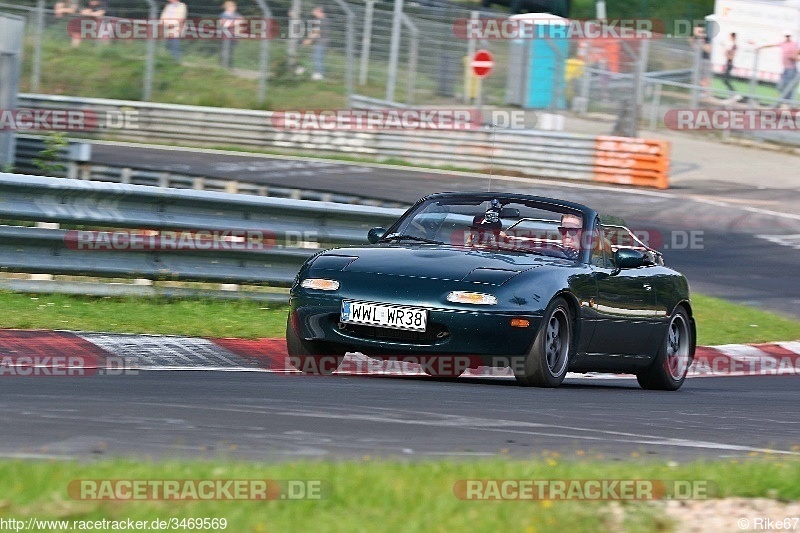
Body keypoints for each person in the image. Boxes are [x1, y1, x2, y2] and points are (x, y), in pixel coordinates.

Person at [303, 6, 328, 80]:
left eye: (315, 12)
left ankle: (319, 74)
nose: (314, 14)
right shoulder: (324, 20)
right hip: (322, 42)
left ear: (320, 11)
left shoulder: (322, 20)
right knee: (317, 57)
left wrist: (308, 40)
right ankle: (318, 73)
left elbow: (315, 32)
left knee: (317, 58)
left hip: (321, 43)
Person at [219, 1, 242, 68]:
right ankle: (223, 65)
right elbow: (225, 24)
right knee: (225, 50)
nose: (235, 8)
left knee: (231, 51)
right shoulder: (224, 15)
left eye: (234, 6)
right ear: (227, 7)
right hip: (226, 36)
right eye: (233, 6)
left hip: (233, 36)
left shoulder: (235, 14)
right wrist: (236, 22)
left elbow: (241, 20)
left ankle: (229, 65)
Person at [691, 25, 712, 96]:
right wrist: (692, 41)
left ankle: (706, 92)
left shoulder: (705, 38)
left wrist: (701, 43)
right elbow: (696, 48)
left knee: (705, 77)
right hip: (699, 59)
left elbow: (709, 49)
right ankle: (702, 91)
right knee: (699, 77)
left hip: (705, 60)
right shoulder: (696, 38)